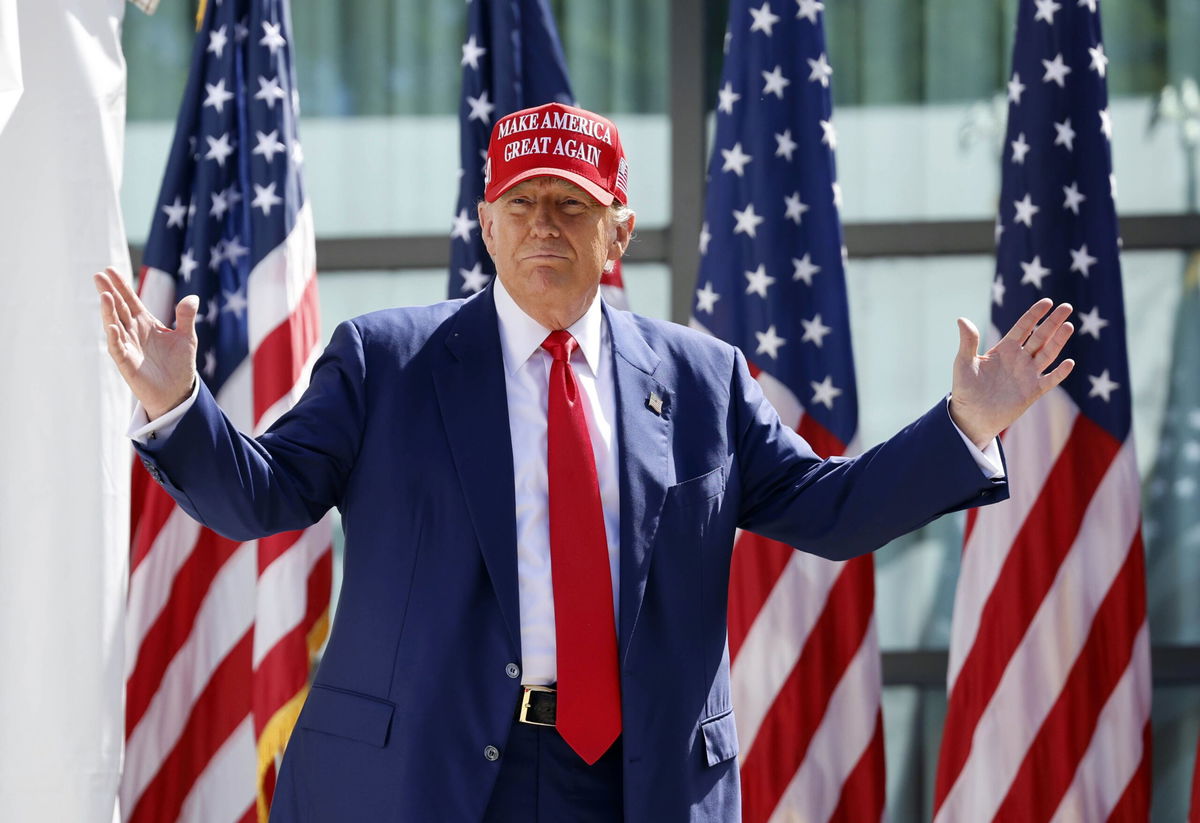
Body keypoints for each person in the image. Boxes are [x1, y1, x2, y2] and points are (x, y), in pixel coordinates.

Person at [94, 102, 1075, 823]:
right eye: (521, 204)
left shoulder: (702, 380)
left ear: (620, 231)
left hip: (632, 780)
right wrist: (176, 406)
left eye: (572, 205)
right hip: (421, 775)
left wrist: (967, 421)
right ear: (484, 223)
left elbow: (832, 509)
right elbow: (261, 495)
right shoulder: (386, 360)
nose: (544, 227)